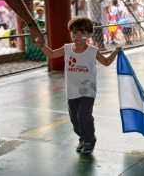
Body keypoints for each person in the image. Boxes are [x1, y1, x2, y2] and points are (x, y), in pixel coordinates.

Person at [35, 15, 121, 153]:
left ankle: (89, 140)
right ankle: (83, 138)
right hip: (72, 91)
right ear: (71, 34)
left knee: (84, 115)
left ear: (90, 34)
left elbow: (105, 62)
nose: (78, 36)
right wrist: (41, 46)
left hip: (88, 90)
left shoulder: (93, 51)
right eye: (75, 32)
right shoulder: (67, 48)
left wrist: (115, 52)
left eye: (82, 33)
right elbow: (51, 54)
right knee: (75, 119)